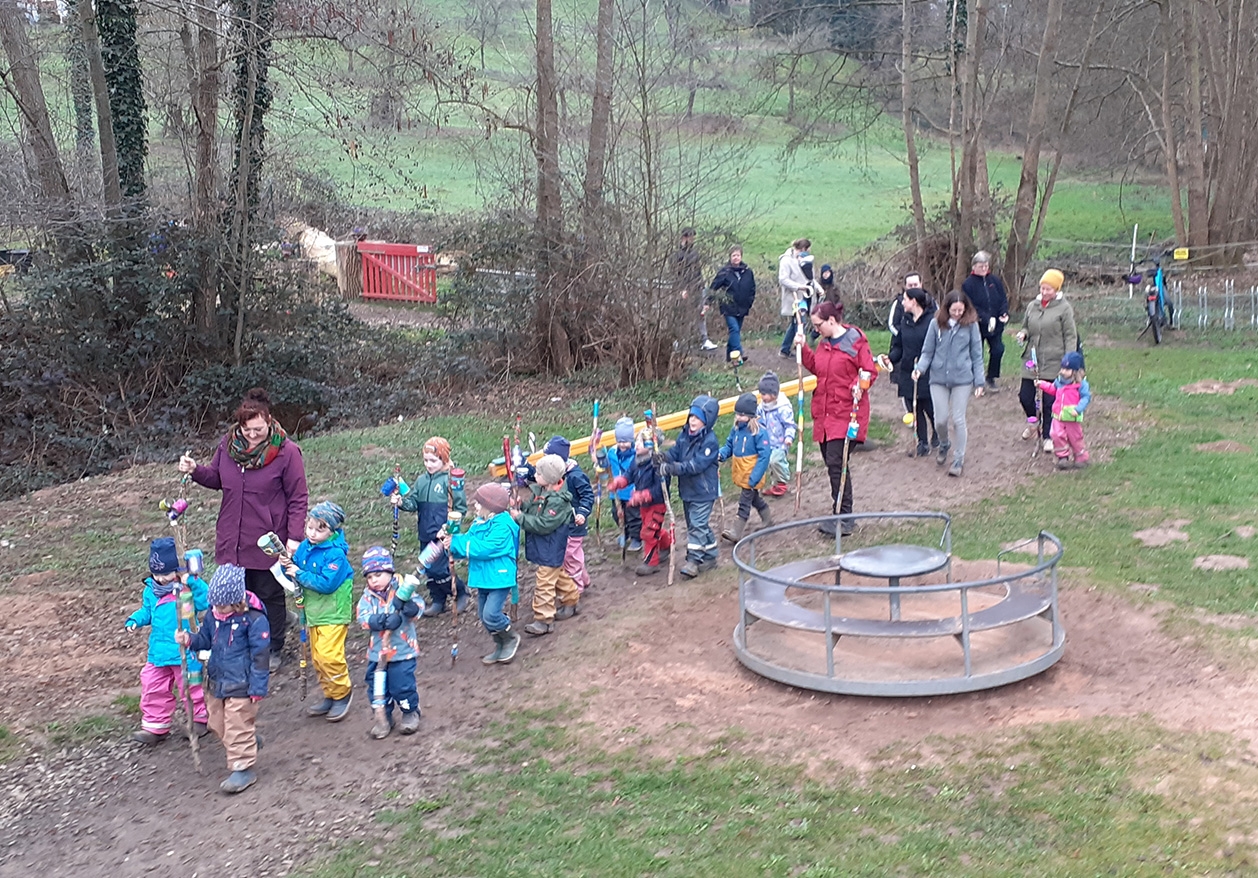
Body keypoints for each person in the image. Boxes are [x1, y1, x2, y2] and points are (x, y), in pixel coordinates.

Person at [179, 388, 308, 673]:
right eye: (247, 429)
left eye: (258, 429)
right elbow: (217, 478)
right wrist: (195, 470)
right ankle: (247, 641)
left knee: (268, 592)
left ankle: (273, 646)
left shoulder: (287, 453)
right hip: (232, 535)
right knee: (238, 594)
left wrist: (294, 538)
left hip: (267, 538)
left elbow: (299, 497)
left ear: (270, 420)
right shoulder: (228, 445)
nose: (252, 434)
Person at [175, 563, 270, 795]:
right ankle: (247, 742)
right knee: (216, 723)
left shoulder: (254, 621)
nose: (217, 609)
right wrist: (189, 639)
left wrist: (258, 688)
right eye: (214, 605)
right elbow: (205, 640)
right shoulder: (213, 615)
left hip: (243, 684)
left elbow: (260, 657)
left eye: (223, 605)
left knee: (237, 723)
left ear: (237, 602)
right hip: (218, 681)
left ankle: (243, 768)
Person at [797, 300, 878, 536]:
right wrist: (803, 348)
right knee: (833, 463)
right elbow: (817, 368)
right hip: (824, 414)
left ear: (832, 321)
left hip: (847, 413)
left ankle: (844, 516)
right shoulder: (824, 345)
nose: (816, 330)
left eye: (818, 325)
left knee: (836, 461)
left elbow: (869, 371)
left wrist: (858, 386)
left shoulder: (856, 342)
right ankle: (840, 512)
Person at [125, 537, 209, 745]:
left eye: (166, 573)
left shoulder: (185, 589)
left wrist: (195, 583)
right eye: (157, 574)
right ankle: (155, 725)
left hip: (185, 648)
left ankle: (199, 718)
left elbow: (204, 601)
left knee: (192, 686)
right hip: (158, 651)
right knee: (153, 685)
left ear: (177, 570)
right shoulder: (150, 591)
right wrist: (136, 619)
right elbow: (148, 611)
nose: (161, 579)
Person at [283, 501, 354, 722]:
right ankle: (330, 693)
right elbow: (293, 573)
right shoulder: (305, 546)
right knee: (317, 657)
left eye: (319, 529)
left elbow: (326, 584)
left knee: (329, 655)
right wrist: (287, 566)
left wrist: (299, 574)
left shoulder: (336, 556)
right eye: (310, 527)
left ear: (332, 530)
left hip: (333, 612)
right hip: (313, 612)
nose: (312, 533)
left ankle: (343, 693)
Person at [444, 482, 522, 664]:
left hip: (499, 577)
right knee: (483, 616)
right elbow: (469, 541)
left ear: (491, 508)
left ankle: (510, 637)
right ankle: (500, 644)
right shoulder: (480, 522)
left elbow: (484, 548)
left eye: (479, 503)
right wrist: (451, 542)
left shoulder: (503, 527)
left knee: (491, 614)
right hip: (484, 577)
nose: (475, 506)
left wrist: (457, 544)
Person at [913, 290, 985, 477]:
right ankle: (944, 443)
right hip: (938, 378)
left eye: (961, 310)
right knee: (940, 419)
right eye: (954, 310)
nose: (957, 314)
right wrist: (919, 369)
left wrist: (980, 382)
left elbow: (977, 355)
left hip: (962, 379)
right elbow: (927, 352)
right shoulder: (935, 324)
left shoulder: (971, 326)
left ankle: (959, 459)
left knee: (958, 419)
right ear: (947, 308)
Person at [395, 437, 468, 616]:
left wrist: (449, 528)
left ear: (444, 459)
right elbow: (413, 503)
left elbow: (460, 509)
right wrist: (401, 502)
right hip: (425, 532)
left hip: (442, 535)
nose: (429, 464)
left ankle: (459, 593)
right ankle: (438, 600)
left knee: (439, 568)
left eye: (433, 460)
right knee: (427, 568)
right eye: (426, 460)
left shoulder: (451, 480)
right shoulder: (421, 480)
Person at [356, 546, 423, 738]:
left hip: (402, 651)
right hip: (378, 653)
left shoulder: (402, 590)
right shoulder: (368, 597)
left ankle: (410, 712)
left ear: (389, 572)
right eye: (369, 577)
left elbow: (419, 607)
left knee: (401, 685)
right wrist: (378, 621)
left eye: (378, 574)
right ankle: (383, 717)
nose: (374, 580)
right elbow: (362, 617)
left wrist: (409, 609)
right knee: (377, 686)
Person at [513, 454, 578, 636]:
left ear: (549, 478)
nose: (535, 475)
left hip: (551, 545)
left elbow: (543, 525)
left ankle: (543, 620)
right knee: (556, 574)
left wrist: (519, 518)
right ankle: (571, 599)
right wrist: (522, 507)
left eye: (539, 472)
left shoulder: (557, 501)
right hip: (546, 546)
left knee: (544, 582)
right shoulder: (543, 491)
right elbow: (535, 510)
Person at [1016, 269, 1080, 453]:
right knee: (1025, 396)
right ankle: (1033, 423)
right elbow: (1026, 327)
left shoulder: (1064, 308)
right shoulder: (1032, 306)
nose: (1044, 292)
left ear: (1057, 289)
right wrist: (1023, 334)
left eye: (1049, 289)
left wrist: (1069, 360)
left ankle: (1047, 436)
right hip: (1032, 360)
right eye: (1042, 288)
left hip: (1055, 361)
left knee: (1049, 402)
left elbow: (1070, 335)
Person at [663, 394, 721, 577]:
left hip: (703, 491)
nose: (693, 420)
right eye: (691, 416)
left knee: (697, 524)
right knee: (697, 524)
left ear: (707, 421)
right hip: (688, 490)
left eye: (698, 418)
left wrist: (673, 468)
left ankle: (693, 560)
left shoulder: (710, 442)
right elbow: (675, 452)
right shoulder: (684, 435)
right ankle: (710, 555)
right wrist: (664, 458)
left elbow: (696, 465)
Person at [608, 426, 674, 577]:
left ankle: (651, 563)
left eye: (642, 442)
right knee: (651, 528)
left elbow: (660, 489)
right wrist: (620, 482)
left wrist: (643, 495)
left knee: (648, 532)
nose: (636, 444)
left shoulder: (659, 463)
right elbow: (629, 475)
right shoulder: (636, 461)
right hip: (643, 505)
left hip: (657, 504)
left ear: (652, 445)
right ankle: (666, 545)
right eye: (637, 440)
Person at [888, 287, 939, 457]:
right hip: (907, 371)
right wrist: (890, 358)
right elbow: (898, 346)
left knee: (928, 407)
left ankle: (938, 432)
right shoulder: (905, 321)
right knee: (913, 408)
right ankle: (922, 443)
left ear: (914, 301)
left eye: (905, 300)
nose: (902, 303)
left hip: (927, 371)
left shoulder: (932, 321)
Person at [542, 435, 595, 594]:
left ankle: (575, 589)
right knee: (571, 554)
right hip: (562, 522)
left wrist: (582, 513)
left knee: (570, 555)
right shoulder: (555, 473)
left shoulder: (575, 477)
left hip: (575, 523)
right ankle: (583, 579)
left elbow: (587, 495)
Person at [719, 393, 772, 543]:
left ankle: (736, 532)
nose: (738, 417)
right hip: (741, 472)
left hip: (751, 474)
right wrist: (721, 454)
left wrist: (755, 477)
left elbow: (764, 456)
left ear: (750, 415)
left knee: (744, 502)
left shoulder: (759, 433)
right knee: (754, 499)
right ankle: (767, 520)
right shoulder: (736, 430)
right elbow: (729, 445)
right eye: (737, 414)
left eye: (742, 415)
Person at [961, 251, 1009, 391]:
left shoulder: (994, 281)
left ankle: (991, 377)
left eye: (986, 266)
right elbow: (970, 305)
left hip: (996, 325)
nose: (984, 269)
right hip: (978, 324)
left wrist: (1003, 312)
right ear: (974, 266)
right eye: (981, 266)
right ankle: (976, 380)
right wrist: (985, 318)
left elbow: (1003, 299)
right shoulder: (968, 284)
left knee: (998, 349)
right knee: (977, 353)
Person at [1038, 351, 1092, 469]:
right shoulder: (1059, 382)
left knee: (1075, 438)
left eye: (1066, 369)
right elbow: (1053, 390)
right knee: (1056, 434)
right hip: (1058, 415)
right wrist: (1042, 385)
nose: (1063, 371)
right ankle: (1062, 457)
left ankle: (1081, 457)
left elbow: (1086, 397)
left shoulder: (1081, 385)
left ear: (1075, 371)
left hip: (1072, 417)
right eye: (1062, 368)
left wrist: (1078, 409)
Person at [709, 245, 756, 362]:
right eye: (733, 255)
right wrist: (708, 301)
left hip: (743, 307)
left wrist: (749, 302)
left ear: (741, 256)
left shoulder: (748, 272)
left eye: (738, 255)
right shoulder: (724, 272)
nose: (736, 258)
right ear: (730, 257)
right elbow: (713, 287)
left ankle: (729, 358)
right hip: (728, 307)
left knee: (735, 332)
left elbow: (752, 288)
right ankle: (739, 354)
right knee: (734, 329)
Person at [603, 417, 642, 552]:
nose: (622, 444)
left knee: (634, 516)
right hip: (617, 493)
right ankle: (624, 532)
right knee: (617, 513)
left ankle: (637, 537)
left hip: (632, 491)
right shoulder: (612, 453)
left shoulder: (636, 454)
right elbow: (605, 466)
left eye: (625, 441)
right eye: (619, 441)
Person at [756, 371, 797, 496]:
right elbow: (759, 421)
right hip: (767, 441)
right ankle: (776, 484)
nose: (763, 397)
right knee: (769, 462)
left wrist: (788, 437)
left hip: (780, 442)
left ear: (774, 394)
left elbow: (789, 424)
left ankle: (782, 482)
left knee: (776, 461)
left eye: (765, 394)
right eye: (761, 394)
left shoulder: (783, 408)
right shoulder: (762, 407)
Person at [674, 227, 715, 350]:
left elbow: (698, 272)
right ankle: (679, 340)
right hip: (684, 289)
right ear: (684, 238)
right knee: (681, 315)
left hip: (697, 287)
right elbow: (676, 274)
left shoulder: (695, 253)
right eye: (690, 237)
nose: (692, 240)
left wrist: (702, 286)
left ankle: (704, 339)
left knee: (700, 314)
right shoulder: (677, 255)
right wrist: (682, 289)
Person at [778, 238, 815, 358]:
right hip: (793, 297)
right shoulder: (786, 260)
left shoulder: (806, 259)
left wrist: (815, 288)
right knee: (800, 323)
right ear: (803, 248)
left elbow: (810, 277)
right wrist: (799, 287)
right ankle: (803, 352)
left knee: (796, 323)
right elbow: (783, 279)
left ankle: (785, 349)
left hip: (804, 296)